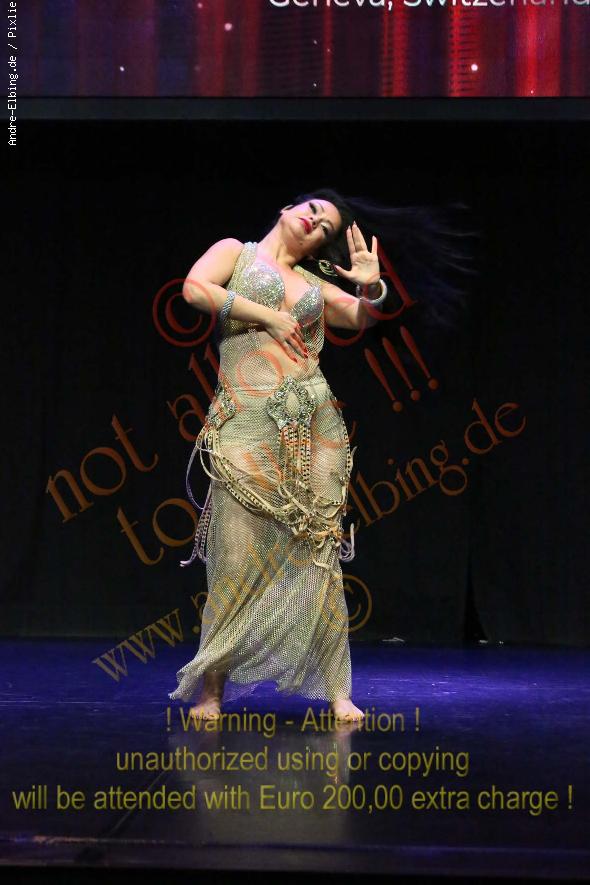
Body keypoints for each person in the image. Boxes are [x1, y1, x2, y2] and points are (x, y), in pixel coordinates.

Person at [167, 188, 474, 722]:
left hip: (314, 425)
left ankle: (337, 690)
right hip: (245, 423)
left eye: (326, 226)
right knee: (234, 556)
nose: (314, 222)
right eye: (311, 210)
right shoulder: (236, 253)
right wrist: (267, 317)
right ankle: (211, 692)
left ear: (320, 246)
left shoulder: (313, 284)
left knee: (321, 556)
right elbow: (195, 290)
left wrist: (372, 285)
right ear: (286, 208)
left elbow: (361, 317)